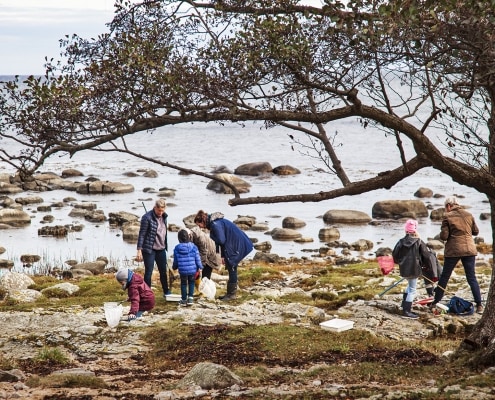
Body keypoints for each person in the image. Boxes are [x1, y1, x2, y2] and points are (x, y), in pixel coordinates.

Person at [429, 196, 483, 314]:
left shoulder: (447, 216)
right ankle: (479, 305)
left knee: (445, 276)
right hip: (469, 249)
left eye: (445, 207)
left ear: (449, 206)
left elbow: (444, 236)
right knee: (471, 277)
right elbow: (476, 232)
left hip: (454, 250)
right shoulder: (468, 214)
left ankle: (435, 301)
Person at [194, 210, 253, 301]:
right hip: (234, 243)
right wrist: (222, 255)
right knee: (231, 266)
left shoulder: (215, 225)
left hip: (237, 244)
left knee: (232, 266)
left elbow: (221, 240)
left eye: (199, 225)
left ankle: (231, 294)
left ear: (202, 221)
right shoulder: (215, 223)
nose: (200, 227)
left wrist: (213, 238)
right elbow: (220, 241)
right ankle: (230, 293)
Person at [392, 219, 431, 319]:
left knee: (410, 286)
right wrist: (426, 266)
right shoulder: (419, 241)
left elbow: (394, 255)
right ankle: (407, 311)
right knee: (412, 290)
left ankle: (403, 305)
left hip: (404, 269)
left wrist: (399, 262)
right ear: (415, 230)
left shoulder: (401, 241)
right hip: (415, 269)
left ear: (406, 230)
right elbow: (426, 256)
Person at [136, 199, 170, 297]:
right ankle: (147, 293)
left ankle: (166, 291)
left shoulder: (164, 216)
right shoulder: (146, 218)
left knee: (163, 271)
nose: (160, 213)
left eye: (162, 210)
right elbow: (141, 234)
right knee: (148, 272)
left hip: (161, 249)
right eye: (159, 210)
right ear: (155, 207)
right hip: (149, 249)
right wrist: (139, 250)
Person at [172, 229, 203, 306]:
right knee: (191, 283)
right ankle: (190, 299)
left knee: (183, 284)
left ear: (179, 238)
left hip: (182, 270)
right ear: (188, 237)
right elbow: (197, 258)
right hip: (192, 270)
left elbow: (176, 260)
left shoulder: (177, 248)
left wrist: (174, 267)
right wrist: (200, 266)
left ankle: (183, 299)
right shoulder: (194, 247)